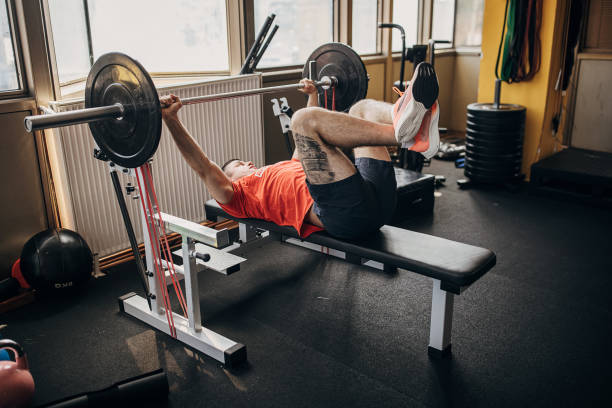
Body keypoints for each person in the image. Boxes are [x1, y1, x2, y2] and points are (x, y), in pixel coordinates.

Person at [161, 62, 439, 240]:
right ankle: (405, 134)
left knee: (361, 108)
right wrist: (172, 120)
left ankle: (408, 121)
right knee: (302, 121)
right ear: (230, 178)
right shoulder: (238, 197)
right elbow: (203, 167)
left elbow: (308, 150)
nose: (247, 162)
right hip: (344, 215)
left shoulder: (279, 170)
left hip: (374, 198)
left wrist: (312, 92)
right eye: (237, 166)